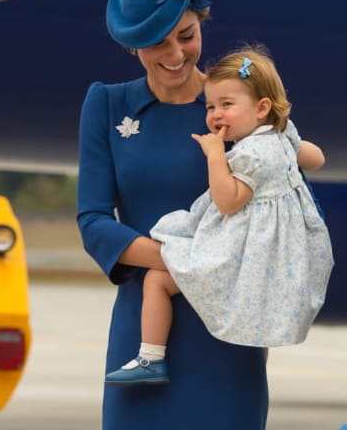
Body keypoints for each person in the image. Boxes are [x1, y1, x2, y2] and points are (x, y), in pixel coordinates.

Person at [77, 0, 270, 429]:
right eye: (155, 44)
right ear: (132, 45)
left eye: (186, 35)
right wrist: (180, 260)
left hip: (228, 334)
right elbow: (94, 220)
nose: (175, 55)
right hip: (144, 337)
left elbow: (281, 213)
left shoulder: (241, 111)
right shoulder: (106, 104)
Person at [104, 46, 334, 387]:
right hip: (276, 254)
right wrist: (290, 153)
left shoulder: (251, 154)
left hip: (241, 250)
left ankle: (150, 356)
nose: (214, 114)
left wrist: (216, 155)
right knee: (256, 325)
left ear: (261, 108)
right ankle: (255, 375)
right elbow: (315, 158)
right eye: (211, 106)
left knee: (158, 278)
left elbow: (229, 202)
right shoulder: (281, 136)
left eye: (227, 105)